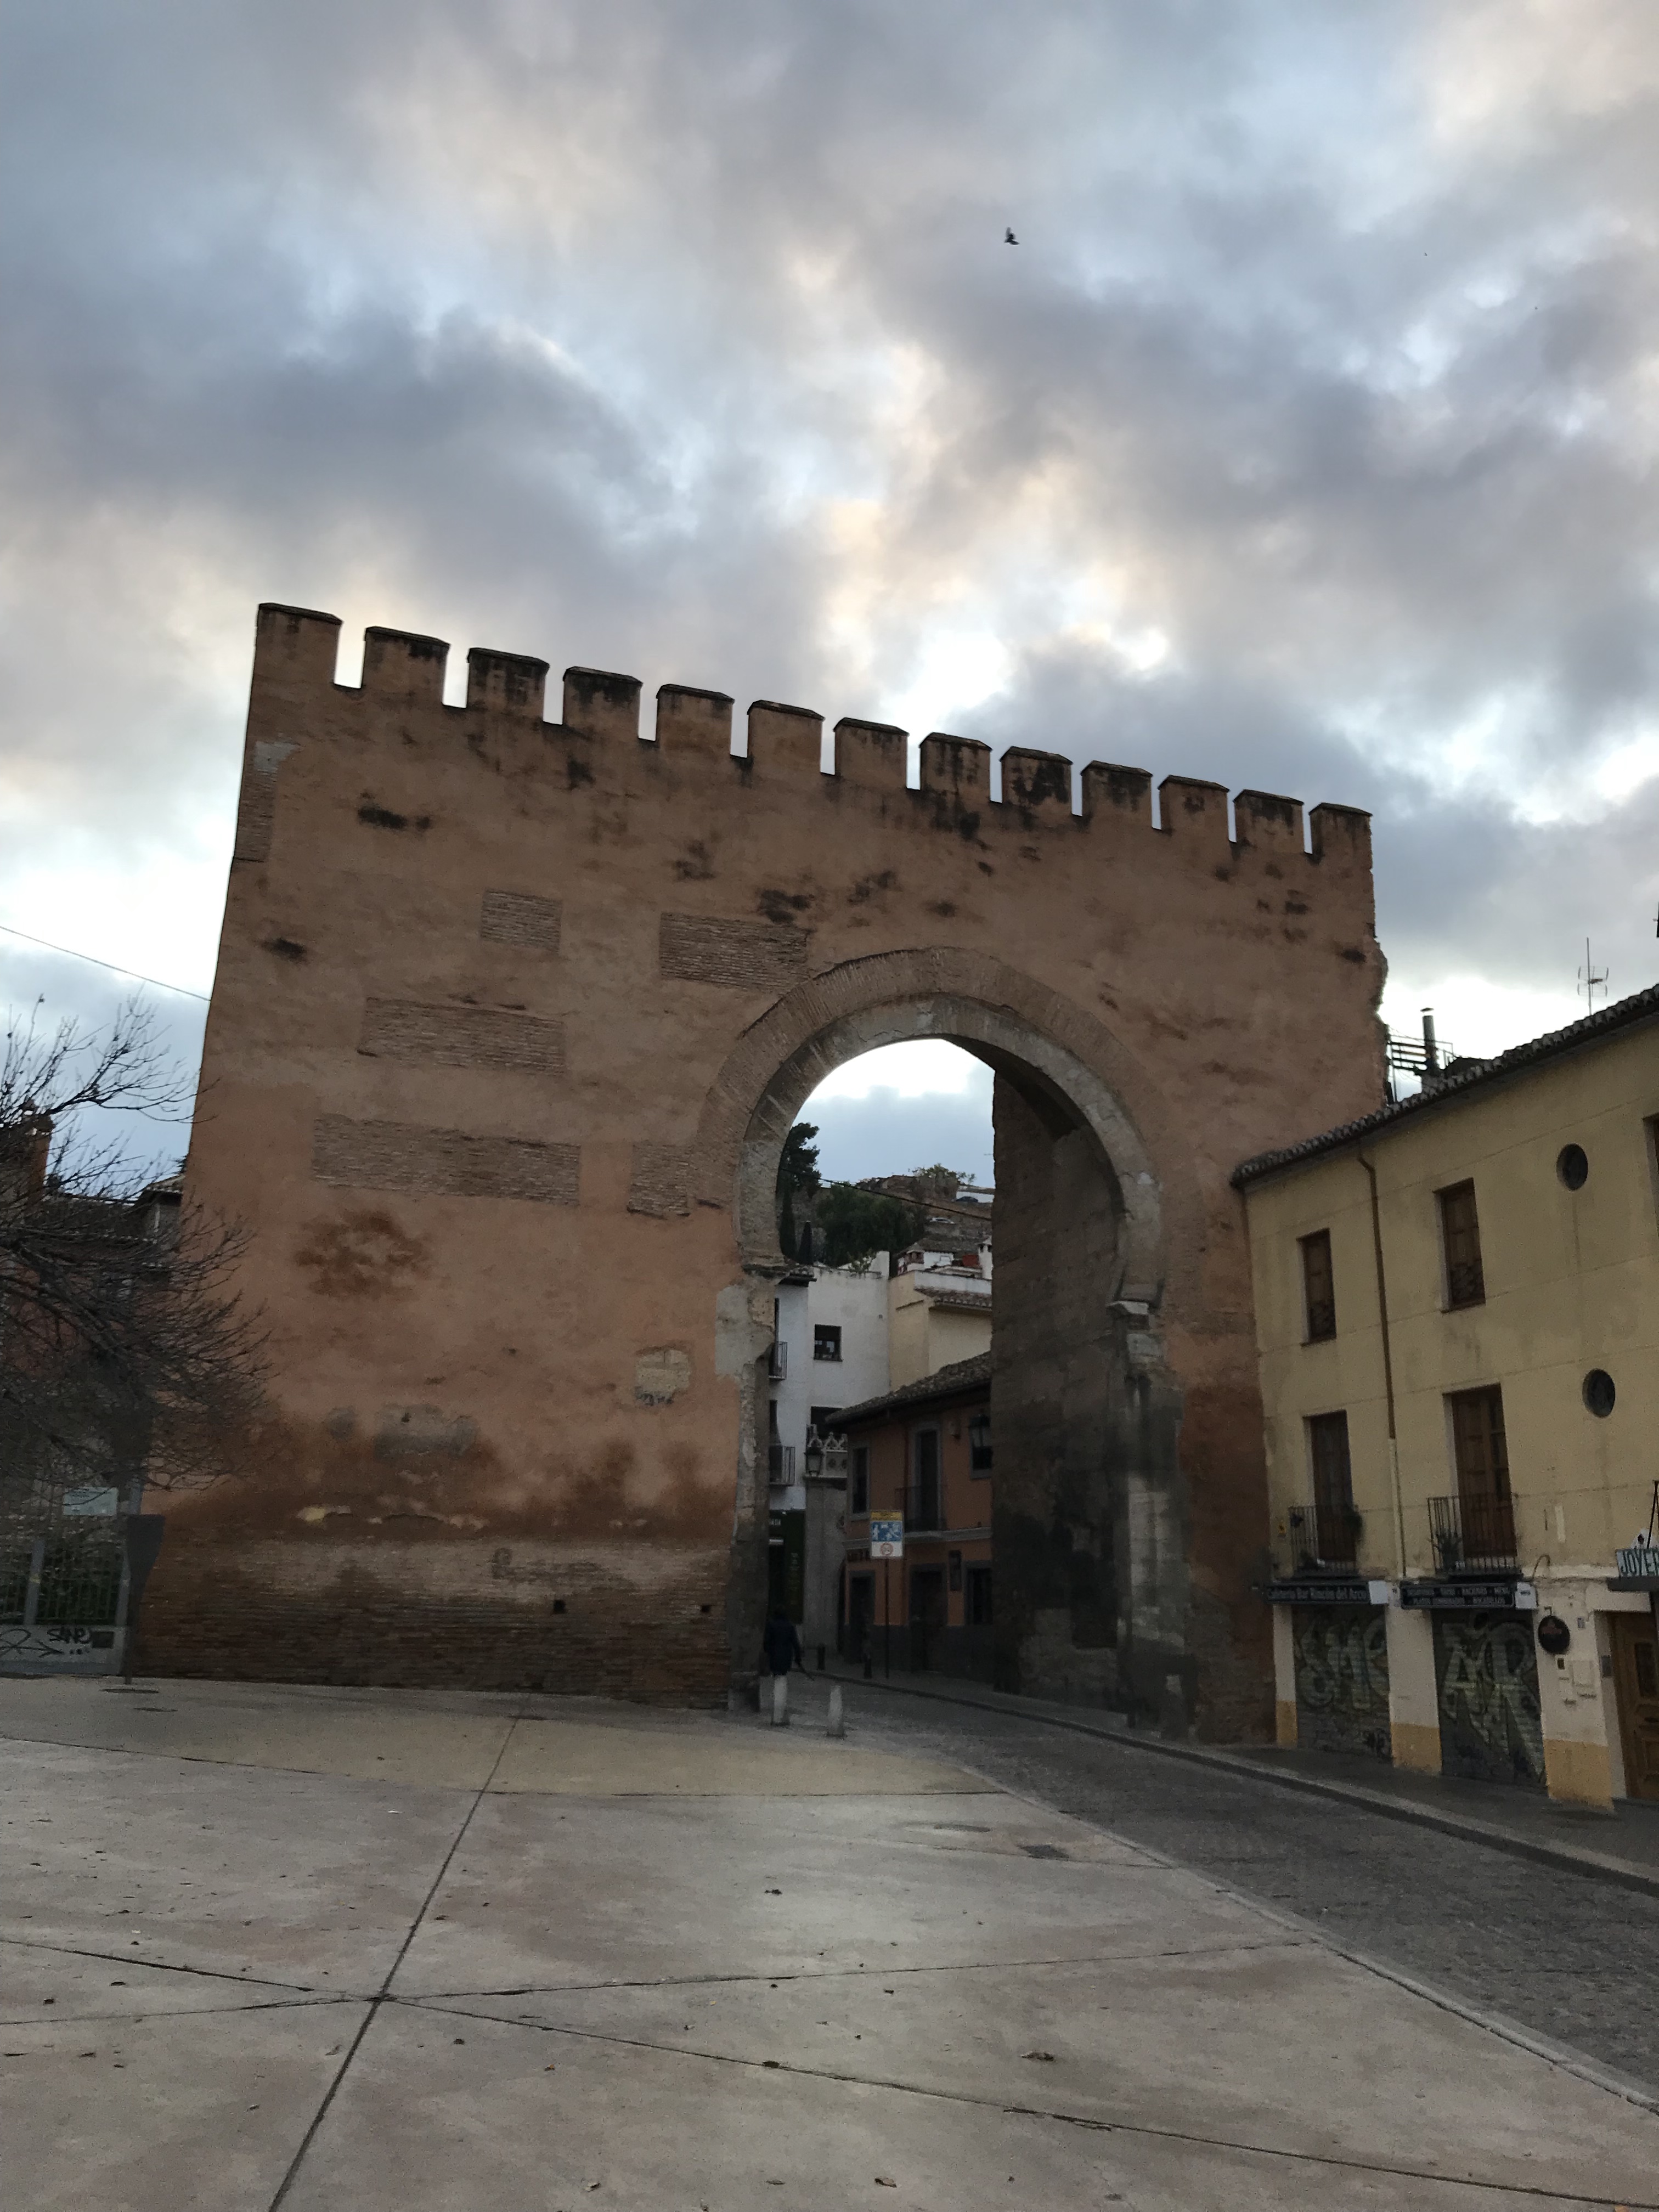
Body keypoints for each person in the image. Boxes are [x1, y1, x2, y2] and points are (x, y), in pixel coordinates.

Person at [761, 1609, 803, 1679]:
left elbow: (767, 1641)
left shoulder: (771, 1625)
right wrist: (798, 1658)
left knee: (777, 1674)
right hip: (786, 1655)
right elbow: (795, 1643)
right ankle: (781, 1683)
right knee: (783, 1674)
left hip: (774, 1654)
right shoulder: (790, 1626)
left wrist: (767, 1652)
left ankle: (778, 1683)